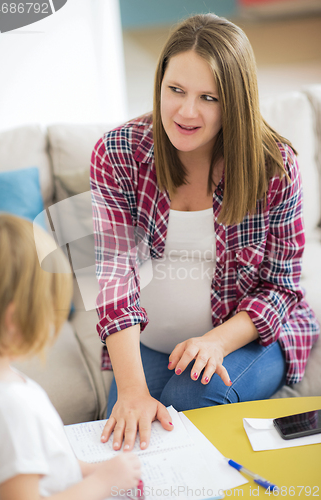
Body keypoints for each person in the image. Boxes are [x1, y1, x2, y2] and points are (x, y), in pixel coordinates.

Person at [90, 13, 320, 453]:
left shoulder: (275, 167)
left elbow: (283, 287)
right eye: (175, 90)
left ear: (233, 102)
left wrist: (216, 342)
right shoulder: (117, 153)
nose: (186, 111)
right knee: (121, 439)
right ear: (159, 83)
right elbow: (112, 277)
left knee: (190, 403)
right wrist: (133, 391)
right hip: (151, 345)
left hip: (246, 335)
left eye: (208, 97)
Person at [0, 214, 141, 500]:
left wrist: (90, 471)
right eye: (50, 311)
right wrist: (104, 483)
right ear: (13, 320)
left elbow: (45, 461)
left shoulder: (5, 385)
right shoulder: (11, 408)